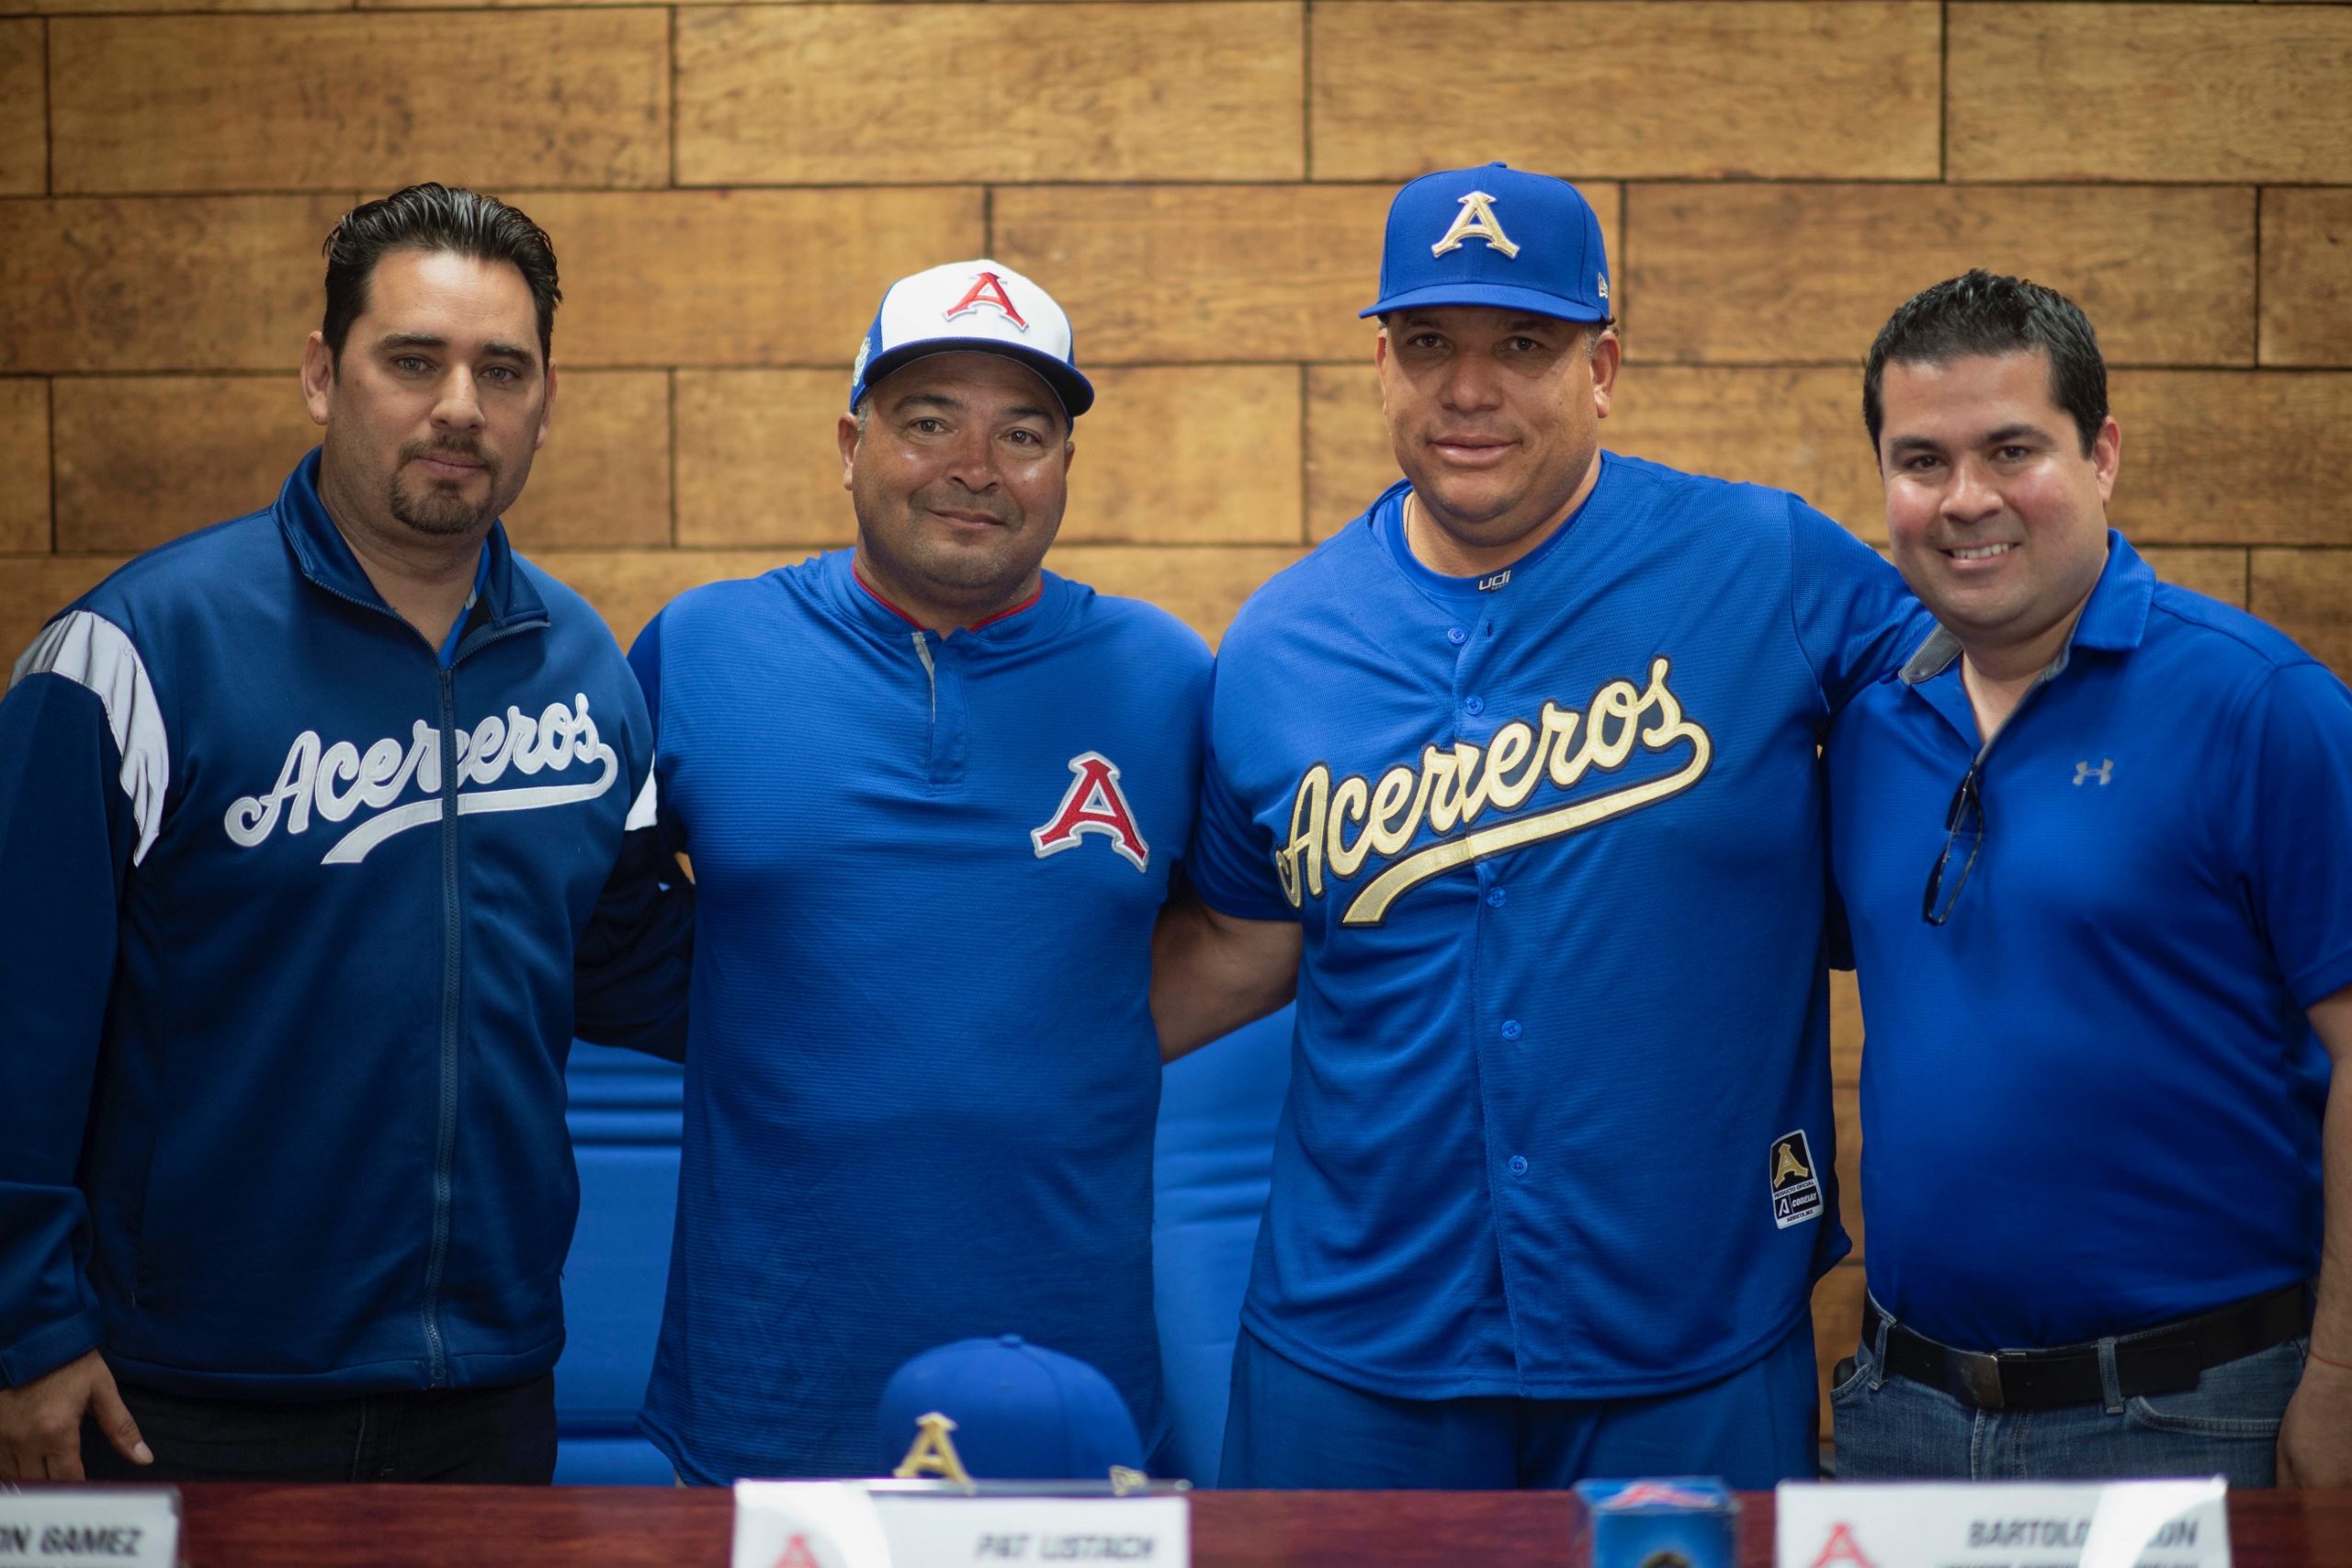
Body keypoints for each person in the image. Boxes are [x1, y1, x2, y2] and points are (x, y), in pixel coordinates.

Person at [1150, 163, 1927, 1490]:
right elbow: (1239, 937)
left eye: (1524, 344)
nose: (1469, 388)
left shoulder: (1772, 566)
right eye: (1428, 345)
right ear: (1382, 366)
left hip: (1688, 1333)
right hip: (1353, 1349)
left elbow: (1990, 712)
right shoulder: (1282, 640)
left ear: (1604, 365)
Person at [0, 183, 690, 1484]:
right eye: (412, 360)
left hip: (488, 1388)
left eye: (502, 369)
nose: (459, 408)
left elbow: (638, 968)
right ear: (324, 375)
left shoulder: (589, 671)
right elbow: (14, 1019)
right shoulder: (132, 655)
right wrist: (26, 1328)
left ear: (545, 397)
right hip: (176, 1393)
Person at [628, 260, 1211, 1483]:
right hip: (771, 1373)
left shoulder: (1166, 677)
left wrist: (1063, 1036)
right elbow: (589, 925)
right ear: (851, 442)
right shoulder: (701, 649)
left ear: (1064, 465)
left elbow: (1250, 932)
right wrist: (785, 1025)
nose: (977, 466)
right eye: (929, 419)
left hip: (1075, 1378)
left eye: (1024, 432)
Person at [1824, 269, 2352, 1487]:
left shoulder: (2261, 707)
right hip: (1904, 1418)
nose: (1965, 501)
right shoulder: (1867, 733)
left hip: (2189, 1421)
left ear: (2102, 452)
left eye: (2014, 449)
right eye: (1920, 461)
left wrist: (2338, 1382)